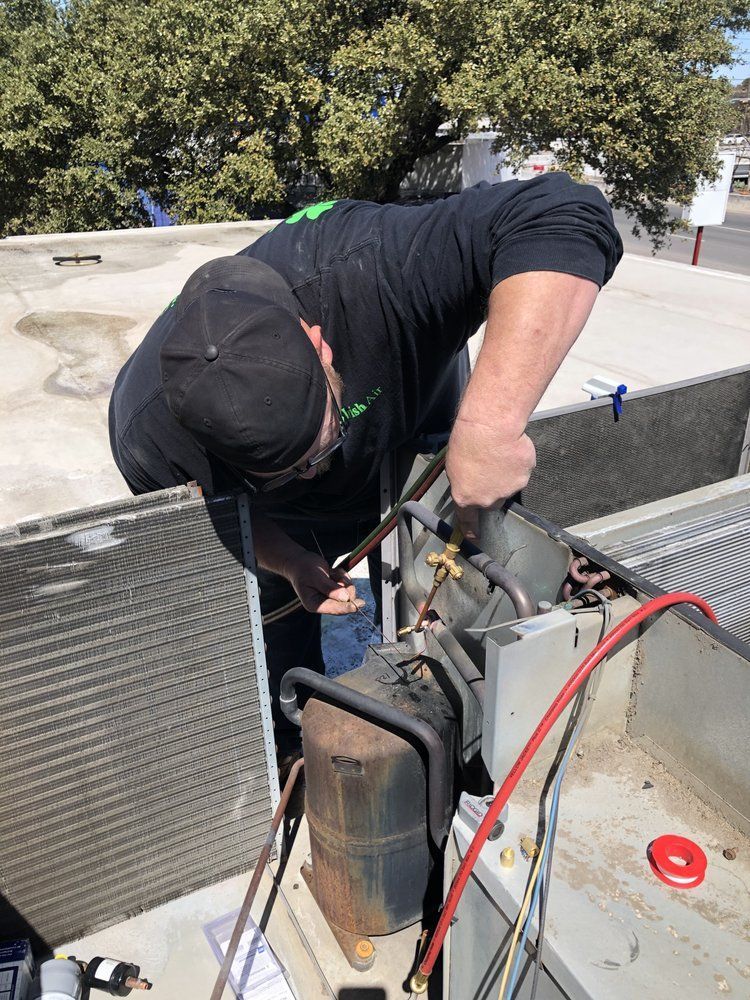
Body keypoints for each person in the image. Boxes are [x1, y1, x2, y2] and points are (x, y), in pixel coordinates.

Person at [109, 173, 622, 757]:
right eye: (283, 471)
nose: (310, 474)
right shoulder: (145, 435)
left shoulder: (374, 271)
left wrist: (489, 427)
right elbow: (220, 519)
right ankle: (296, 750)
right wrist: (291, 561)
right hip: (281, 521)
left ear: (318, 343)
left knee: (430, 608)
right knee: (279, 633)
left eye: (318, 449)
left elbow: (562, 211)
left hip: (413, 456)